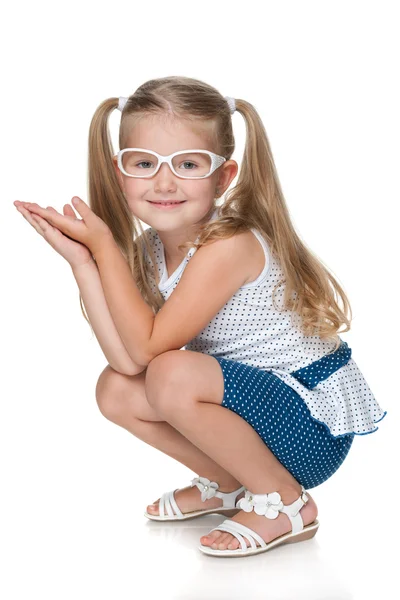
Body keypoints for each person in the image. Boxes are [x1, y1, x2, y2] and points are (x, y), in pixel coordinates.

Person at [14, 75, 387, 558]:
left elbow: (152, 350)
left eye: (188, 164)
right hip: (254, 418)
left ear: (223, 177)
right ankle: (231, 482)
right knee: (115, 389)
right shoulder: (149, 250)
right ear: (119, 170)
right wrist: (85, 262)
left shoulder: (227, 245)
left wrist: (103, 245)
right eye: (144, 163)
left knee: (171, 372)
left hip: (309, 425)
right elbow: (129, 364)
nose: (164, 182)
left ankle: (286, 502)